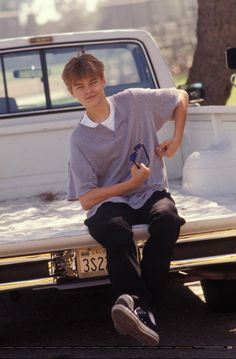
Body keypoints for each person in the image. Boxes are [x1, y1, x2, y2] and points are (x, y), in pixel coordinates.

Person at [62, 53, 188, 345]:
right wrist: (129, 183)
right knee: (116, 229)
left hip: (150, 191)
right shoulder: (79, 138)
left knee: (168, 219)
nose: (89, 90)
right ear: (72, 93)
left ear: (104, 80)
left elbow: (180, 97)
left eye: (93, 82)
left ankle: (139, 307)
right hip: (109, 203)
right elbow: (87, 199)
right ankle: (143, 306)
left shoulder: (133, 101)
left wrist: (177, 139)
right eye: (80, 86)